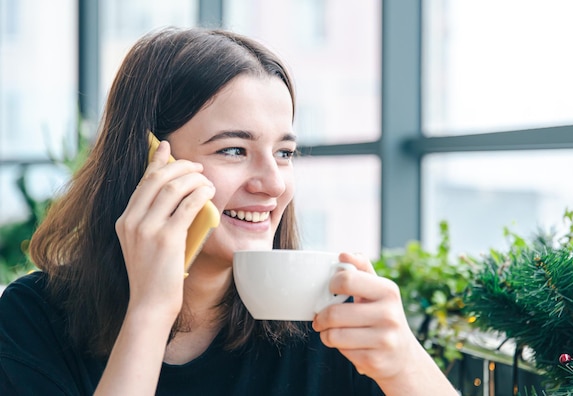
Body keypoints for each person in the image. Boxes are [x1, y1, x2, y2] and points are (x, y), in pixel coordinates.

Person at [0, 27, 458, 395]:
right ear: (147, 163)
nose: (274, 184)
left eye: (284, 153)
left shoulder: (324, 322)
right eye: (235, 151)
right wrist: (151, 309)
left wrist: (403, 365)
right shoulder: (32, 318)